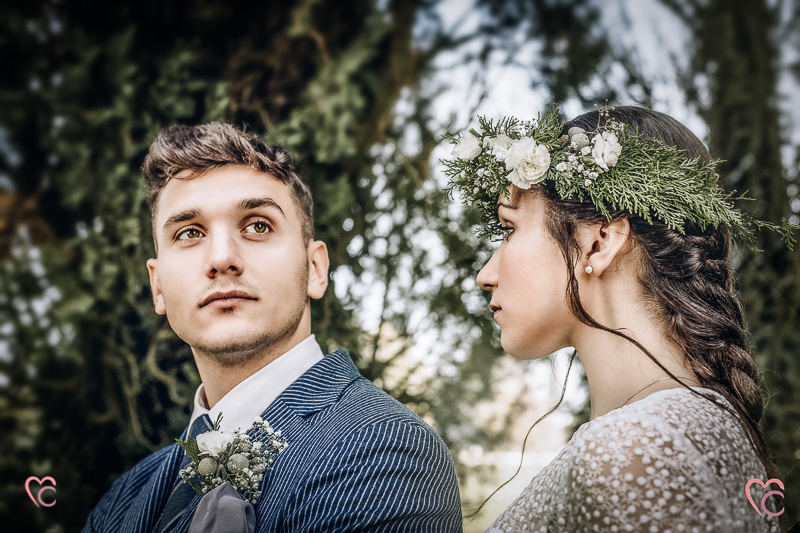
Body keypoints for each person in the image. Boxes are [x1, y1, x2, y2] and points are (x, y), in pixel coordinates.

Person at [83, 123, 462, 533]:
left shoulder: (385, 450)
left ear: (315, 269)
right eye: (190, 233)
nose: (222, 257)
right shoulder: (123, 497)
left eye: (258, 225)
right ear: (157, 286)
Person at [443, 106, 793, 532]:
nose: (485, 275)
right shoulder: (695, 428)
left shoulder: (631, 451)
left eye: (509, 228)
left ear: (599, 242)